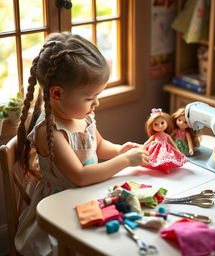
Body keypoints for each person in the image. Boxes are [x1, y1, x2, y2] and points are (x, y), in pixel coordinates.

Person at [15, 32, 149, 256]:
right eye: (90, 98)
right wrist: (125, 161)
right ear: (57, 93)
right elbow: (79, 176)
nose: (96, 103)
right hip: (60, 208)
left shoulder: (82, 115)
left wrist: (119, 149)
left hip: (88, 195)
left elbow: (99, 146)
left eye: (97, 95)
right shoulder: (49, 131)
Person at [142, 108, 187, 174]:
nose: (160, 126)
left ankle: (165, 167)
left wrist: (177, 149)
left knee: (166, 157)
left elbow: (172, 143)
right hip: (155, 148)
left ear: (167, 123)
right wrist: (142, 147)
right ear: (151, 126)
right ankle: (158, 166)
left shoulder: (167, 135)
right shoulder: (155, 135)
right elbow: (148, 142)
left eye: (162, 123)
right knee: (154, 157)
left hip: (165, 148)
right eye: (156, 124)